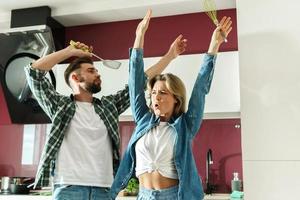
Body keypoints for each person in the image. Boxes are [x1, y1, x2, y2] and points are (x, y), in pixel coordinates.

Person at [24, 35, 185, 200]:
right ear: (75, 78)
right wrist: (69, 51)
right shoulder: (59, 106)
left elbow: (139, 82)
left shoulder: (109, 106)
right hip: (69, 188)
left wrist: (170, 56)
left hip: (104, 190)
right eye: (91, 71)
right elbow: (34, 73)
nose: (98, 74)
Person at [110, 10, 232, 200]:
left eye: (163, 93)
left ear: (176, 98)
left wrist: (214, 44)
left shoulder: (185, 125)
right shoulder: (143, 119)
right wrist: (139, 36)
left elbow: (200, 88)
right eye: (154, 93)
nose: (156, 97)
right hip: (143, 196)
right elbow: (134, 82)